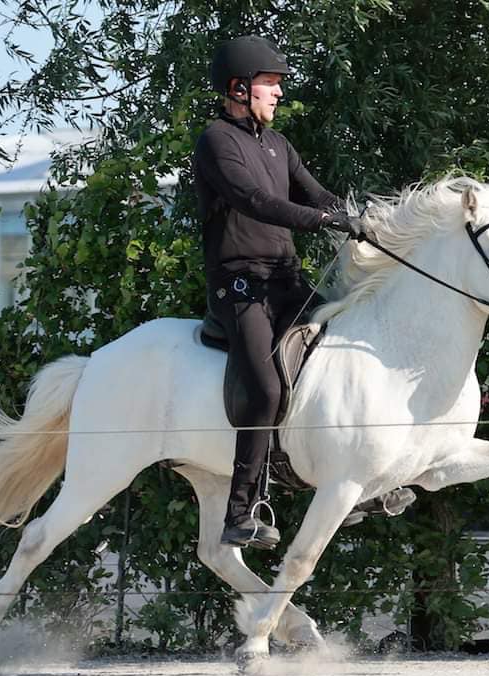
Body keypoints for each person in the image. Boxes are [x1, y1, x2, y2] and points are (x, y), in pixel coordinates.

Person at [193, 35, 363, 549]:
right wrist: (320, 220)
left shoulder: (277, 144)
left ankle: (360, 483)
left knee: (343, 353)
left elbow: (317, 193)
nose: (277, 94)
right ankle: (240, 512)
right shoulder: (217, 141)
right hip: (240, 285)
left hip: (285, 280)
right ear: (239, 88)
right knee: (267, 389)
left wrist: (361, 217)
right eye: (270, 84)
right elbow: (256, 200)